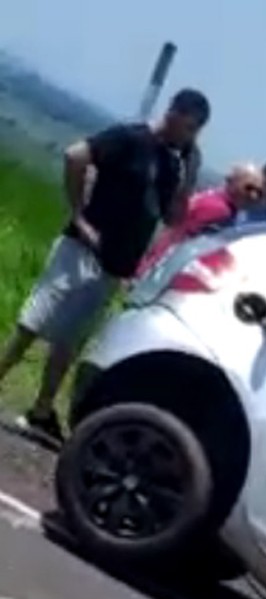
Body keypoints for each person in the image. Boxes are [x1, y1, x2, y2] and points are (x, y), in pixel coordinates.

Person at [0, 88, 210, 445]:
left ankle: (42, 408)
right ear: (173, 114)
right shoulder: (131, 138)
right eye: (187, 127)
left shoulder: (170, 165)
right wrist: (79, 216)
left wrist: (189, 174)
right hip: (82, 248)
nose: (187, 136)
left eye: (194, 132)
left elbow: (174, 217)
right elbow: (76, 156)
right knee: (33, 324)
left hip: (116, 264)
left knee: (68, 340)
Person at [138, 161, 264, 276]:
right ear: (232, 180)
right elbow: (192, 243)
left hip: (159, 257)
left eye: (258, 192)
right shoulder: (221, 210)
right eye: (249, 187)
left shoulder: (213, 196)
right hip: (165, 268)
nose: (252, 195)